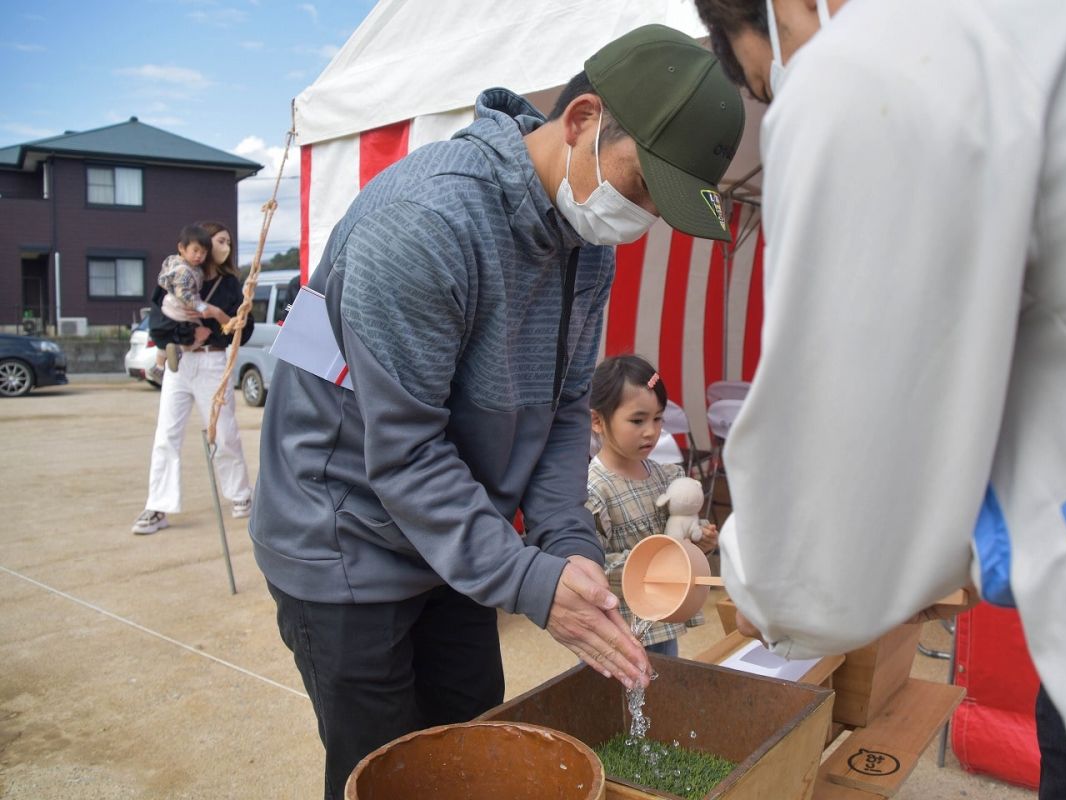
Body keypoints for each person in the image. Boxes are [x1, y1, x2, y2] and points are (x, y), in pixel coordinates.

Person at [692, 2, 1066, 799]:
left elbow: (822, 557)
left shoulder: (882, 59)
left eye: (774, 66)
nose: (790, 83)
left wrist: (760, 583)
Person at [249, 24, 745, 799]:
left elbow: (559, 416)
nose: (641, 215)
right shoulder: (426, 222)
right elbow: (407, 453)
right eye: (642, 184)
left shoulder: (589, 245)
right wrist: (528, 581)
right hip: (344, 535)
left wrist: (566, 547)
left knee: (475, 744)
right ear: (581, 120)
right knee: (389, 771)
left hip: (452, 531)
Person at [586, 355, 719, 657]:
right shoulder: (595, 489)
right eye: (637, 420)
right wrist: (651, 563)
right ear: (598, 421)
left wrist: (700, 545)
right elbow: (592, 564)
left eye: (657, 418)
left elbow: (679, 537)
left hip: (663, 614)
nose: (651, 430)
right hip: (620, 628)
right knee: (623, 698)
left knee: (662, 688)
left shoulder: (664, 476)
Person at [132, 221, 255, 535]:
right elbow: (157, 324)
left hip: (213, 361)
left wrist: (214, 328)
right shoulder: (175, 275)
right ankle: (157, 506)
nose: (222, 246)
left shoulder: (230, 284)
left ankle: (241, 495)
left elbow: (245, 328)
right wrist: (189, 332)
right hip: (179, 361)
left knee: (224, 432)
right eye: (218, 240)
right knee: (166, 435)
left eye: (227, 241)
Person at [149, 224, 222, 383]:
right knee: (200, 335)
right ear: (181, 248)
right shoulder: (184, 269)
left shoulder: (177, 264)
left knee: (166, 341)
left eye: (203, 253)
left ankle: (159, 366)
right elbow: (184, 293)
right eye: (195, 251)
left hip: (169, 306)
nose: (199, 256)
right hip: (180, 307)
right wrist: (200, 306)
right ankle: (179, 350)